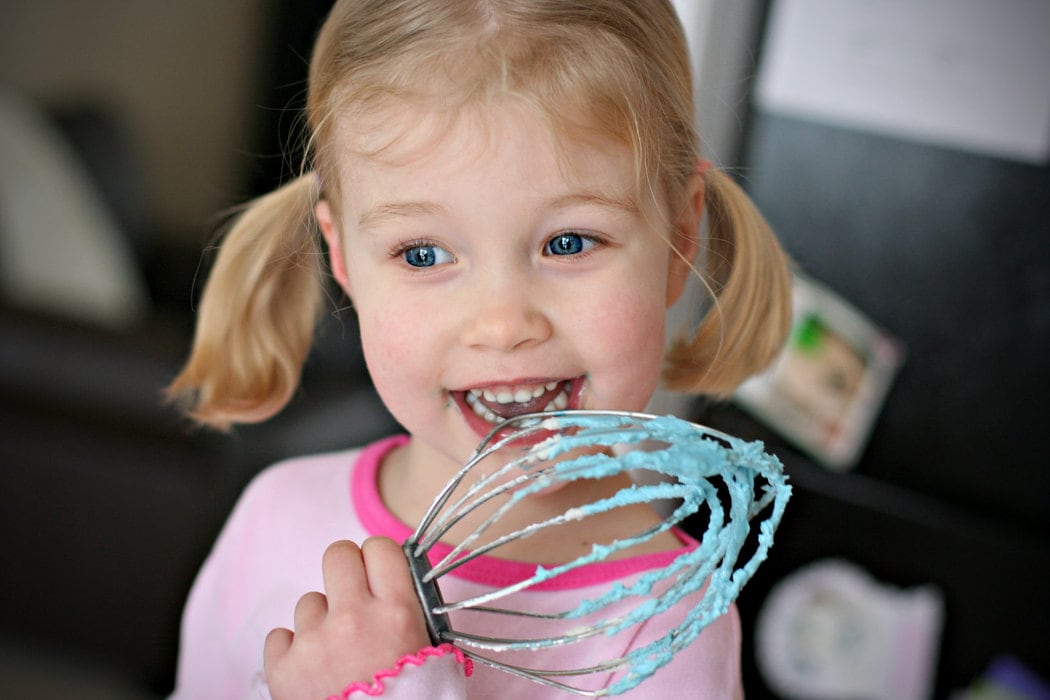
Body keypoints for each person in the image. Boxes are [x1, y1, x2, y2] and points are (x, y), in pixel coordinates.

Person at [166, 1, 792, 697]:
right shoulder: (274, 514)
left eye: (569, 242)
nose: (502, 324)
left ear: (680, 237)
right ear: (342, 256)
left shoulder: (672, 623)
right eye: (424, 253)